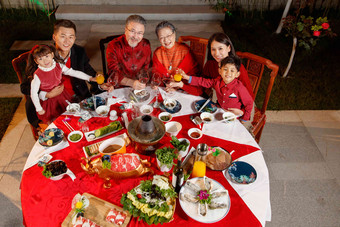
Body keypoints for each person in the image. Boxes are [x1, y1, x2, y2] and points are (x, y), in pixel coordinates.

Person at [21, 19, 111, 128]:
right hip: (49, 105)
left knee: (99, 121)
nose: (67, 41)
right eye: (63, 36)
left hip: (76, 98)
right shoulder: (42, 56)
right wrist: (46, 94)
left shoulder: (79, 51)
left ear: (75, 38)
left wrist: (100, 83)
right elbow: (24, 87)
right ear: (54, 37)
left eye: (71, 37)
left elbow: (89, 72)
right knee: (62, 129)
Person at [27, 44, 98, 124]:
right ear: (36, 61)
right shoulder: (37, 75)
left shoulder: (58, 66)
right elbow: (33, 93)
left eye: (47, 56)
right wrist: (38, 108)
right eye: (40, 59)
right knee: (56, 120)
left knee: (69, 115)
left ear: (52, 55)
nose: (45, 61)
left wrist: (89, 78)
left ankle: (70, 126)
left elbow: (73, 72)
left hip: (62, 96)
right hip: (49, 102)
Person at [180, 56, 253, 125]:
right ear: (220, 71)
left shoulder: (239, 87)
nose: (228, 73)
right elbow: (203, 81)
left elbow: (249, 102)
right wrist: (187, 77)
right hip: (220, 110)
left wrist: (244, 118)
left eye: (232, 71)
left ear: (237, 74)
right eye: (225, 69)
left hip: (234, 115)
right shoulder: (217, 81)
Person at [152, 21, 202, 96]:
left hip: (184, 89)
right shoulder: (157, 53)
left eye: (168, 35)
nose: (166, 40)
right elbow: (156, 76)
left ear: (174, 34)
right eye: (162, 37)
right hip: (166, 89)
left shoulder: (184, 51)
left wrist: (176, 87)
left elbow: (192, 76)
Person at [106, 15, 152, 90]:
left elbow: (147, 68)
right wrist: (131, 83)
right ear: (125, 30)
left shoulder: (146, 44)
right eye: (132, 31)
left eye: (140, 33)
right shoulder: (113, 45)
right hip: (120, 87)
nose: (135, 36)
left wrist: (143, 82)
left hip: (140, 86)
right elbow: (113, 73)